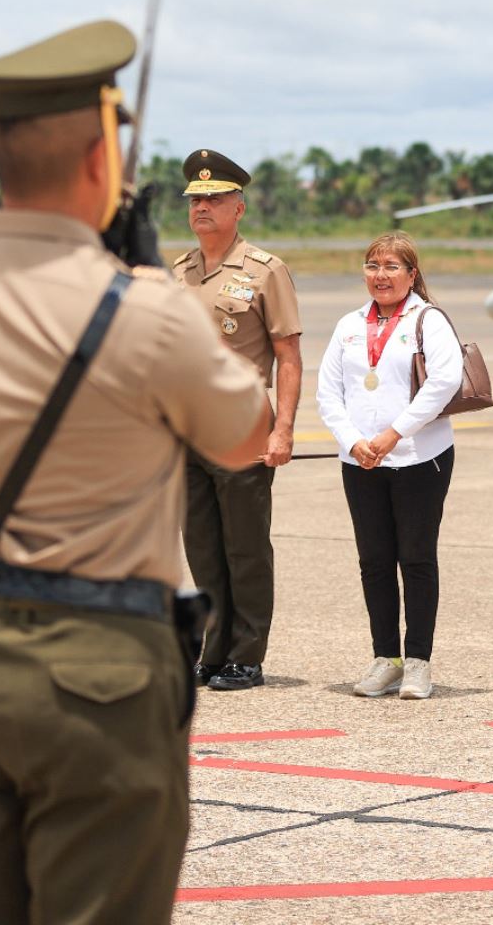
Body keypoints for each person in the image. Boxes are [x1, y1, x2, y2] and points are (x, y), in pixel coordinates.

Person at [0, 20, 270, 924]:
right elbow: (246, 436)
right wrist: (150, 274)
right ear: (99, 163)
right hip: (101, 673)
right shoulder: (147, 309)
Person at [172, 150, 302, 691]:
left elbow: (288, 357)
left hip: (244, 422)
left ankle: (247, 654)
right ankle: (214, 646)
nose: (203, 207)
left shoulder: (264, 272)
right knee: (201, 544)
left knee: (245, 545)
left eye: (215, 199)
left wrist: (284, 429)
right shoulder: (177, 272)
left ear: (239, 207)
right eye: (196, 200)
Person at [316, 231, 463, 700]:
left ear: (412, 274)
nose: (381, 275)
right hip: (361, 461)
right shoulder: (349, 325)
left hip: (420, 457)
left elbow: (442, 382)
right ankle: (387, 657)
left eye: (392, 267)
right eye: (373, 265)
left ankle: (418, 660)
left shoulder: (428, 319)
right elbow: (328, 392)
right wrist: (354, 441)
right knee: (374, 561)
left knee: (416, 559)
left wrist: (393, 433)